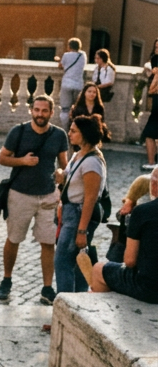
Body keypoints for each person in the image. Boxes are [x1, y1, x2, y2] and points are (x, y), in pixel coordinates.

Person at [0, 96, 70, 304]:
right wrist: (22, 161)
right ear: (31, 111)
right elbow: (2, 158)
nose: (40, 114)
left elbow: (64, 164)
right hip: (20, 194)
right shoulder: (18, 132)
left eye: (44, 111)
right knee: (14, 239)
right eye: (36, 110)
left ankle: (47, 287)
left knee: (48, 243)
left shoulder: (59, 135)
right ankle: (6, 280)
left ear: (51, 112)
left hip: (48, 196)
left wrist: (60, 172)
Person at [56, 114, 109, 294]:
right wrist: (61, 175)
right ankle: (76, 305)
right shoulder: (79, 154)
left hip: (79, 215)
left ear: (84, 134)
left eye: (73, 131)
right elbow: (71, 177)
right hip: (72, 212)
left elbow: (91, 198)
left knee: (63, 262)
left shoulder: (92, 161)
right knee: (77, 263)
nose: (69, 134)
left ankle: (64, 307)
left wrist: (81, 231)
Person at [91, 166, 158, 303]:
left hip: (150, 288)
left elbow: (129, 261)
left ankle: (104, 317)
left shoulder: (142, 212)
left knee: (98, 269)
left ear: (154, 185)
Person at [57, 38, 87, 126]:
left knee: (65, 109)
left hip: (67, 84)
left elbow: (60, 66)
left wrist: (59, 60)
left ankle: (66, 130)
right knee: (78, 108)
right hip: (79, 84)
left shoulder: (66, 55)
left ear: (69, 46)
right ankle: (76, 128)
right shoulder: (83, 55)